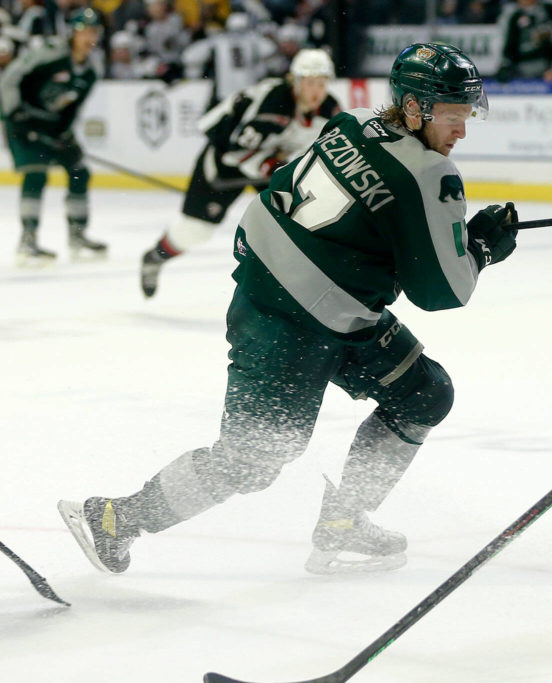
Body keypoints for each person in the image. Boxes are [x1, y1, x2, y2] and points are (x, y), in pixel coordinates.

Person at [58, 42, 519, 577]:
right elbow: (441, 291)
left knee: (423, 393)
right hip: (288, 324)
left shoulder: (349, 124)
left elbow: (292, 199)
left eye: (466, 116)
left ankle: (343, 524)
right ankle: (115, 519)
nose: (461, 130)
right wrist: (483, 247)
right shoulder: (429, 174)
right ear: (414, 107)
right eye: (453, 116)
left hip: (316, 309)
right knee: (252, 459)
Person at [139, 48, 342, 298]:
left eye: (322, 84)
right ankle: (154, 257)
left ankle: (289, 291)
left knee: (298, 221)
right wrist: (271, 164)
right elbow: (235, 150)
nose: (317, 91)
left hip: (269, 164)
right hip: (224, 163)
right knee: (196, 230)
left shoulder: (330, 108)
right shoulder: (273, 101)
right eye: (310, 83)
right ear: (295, 81)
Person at [0, 7, 105, 266]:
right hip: (22, 122)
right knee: (36, 173)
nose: (88, 36)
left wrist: (65, 133)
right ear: (73, 32)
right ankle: (28, 239)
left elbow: (72, 108)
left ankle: (78, 235)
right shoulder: (49, 54)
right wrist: (14, 112)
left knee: (80, 170)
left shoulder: (90, 70)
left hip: (50, 127)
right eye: (84, 30)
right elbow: (11, 78)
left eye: (93, 31)